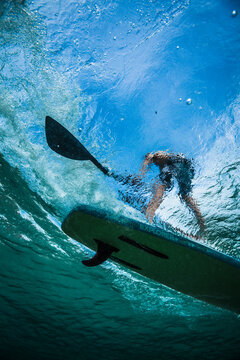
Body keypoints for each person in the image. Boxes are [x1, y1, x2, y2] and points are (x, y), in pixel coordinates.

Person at [138, 151, 205, 233]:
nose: (155, 164)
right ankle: (202, 223)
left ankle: (149, 216)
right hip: (184, 167)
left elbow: (146, 170)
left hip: (182, 167)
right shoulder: (163, 159)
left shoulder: (163, 159)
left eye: (155, 163)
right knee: (182, 195)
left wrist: (144, 168)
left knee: (164, 189)